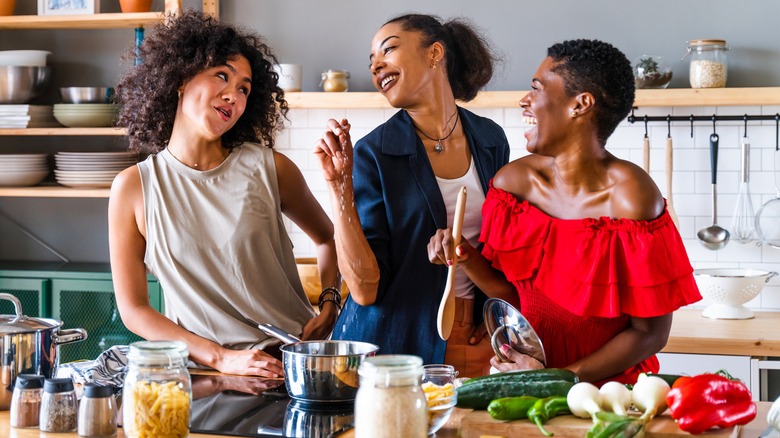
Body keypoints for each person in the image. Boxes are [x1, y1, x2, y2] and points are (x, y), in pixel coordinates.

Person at [428, 39, 702, 385]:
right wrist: (465, 257)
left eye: (536, 89)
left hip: (607, 395)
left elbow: (650, 334)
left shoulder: (633, 198)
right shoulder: (513, 186)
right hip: (526, 384)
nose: (523, 101)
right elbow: (515, 298)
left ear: (580, 104)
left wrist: (559, 378)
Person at [109, 10, 339, 378]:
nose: (233, 94)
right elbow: (134, 309)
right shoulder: (133, 188)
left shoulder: (270, 169)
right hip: (200, 374)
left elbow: (328, 238)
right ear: (181, 77)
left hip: (288, 368)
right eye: (222, 76)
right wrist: (219, 358)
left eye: (244, 88)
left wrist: (330, 303)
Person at [314, 13, 511, 376]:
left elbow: (501, 244)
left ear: (435, 53)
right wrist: (339, 187)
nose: (376, 66)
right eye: (372, 61)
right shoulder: (375, 152)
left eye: (388, 50)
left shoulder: (490, 139)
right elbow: (364, 290)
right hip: (391, 342)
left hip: (471, 334)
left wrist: (496, 308)